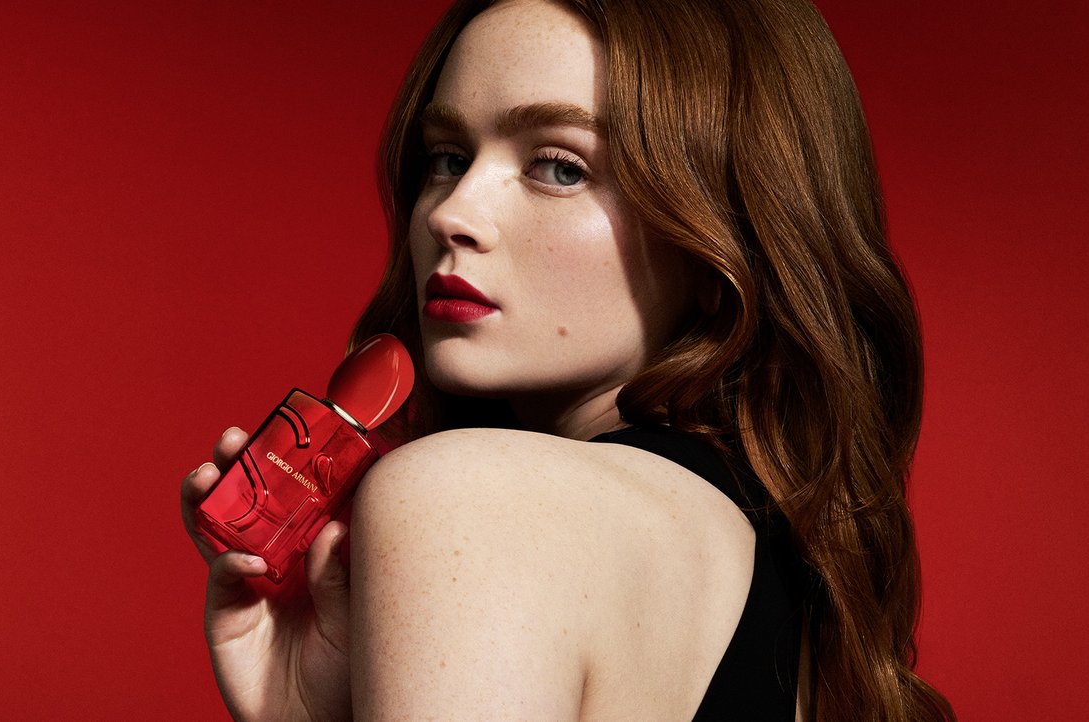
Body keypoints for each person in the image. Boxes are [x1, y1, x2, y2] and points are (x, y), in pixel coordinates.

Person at [181, 0, 955, 719]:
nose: (453, 213)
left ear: (722, 242)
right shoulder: (784, 574)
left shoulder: (468, 500)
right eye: (448, 157)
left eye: (560, 166)